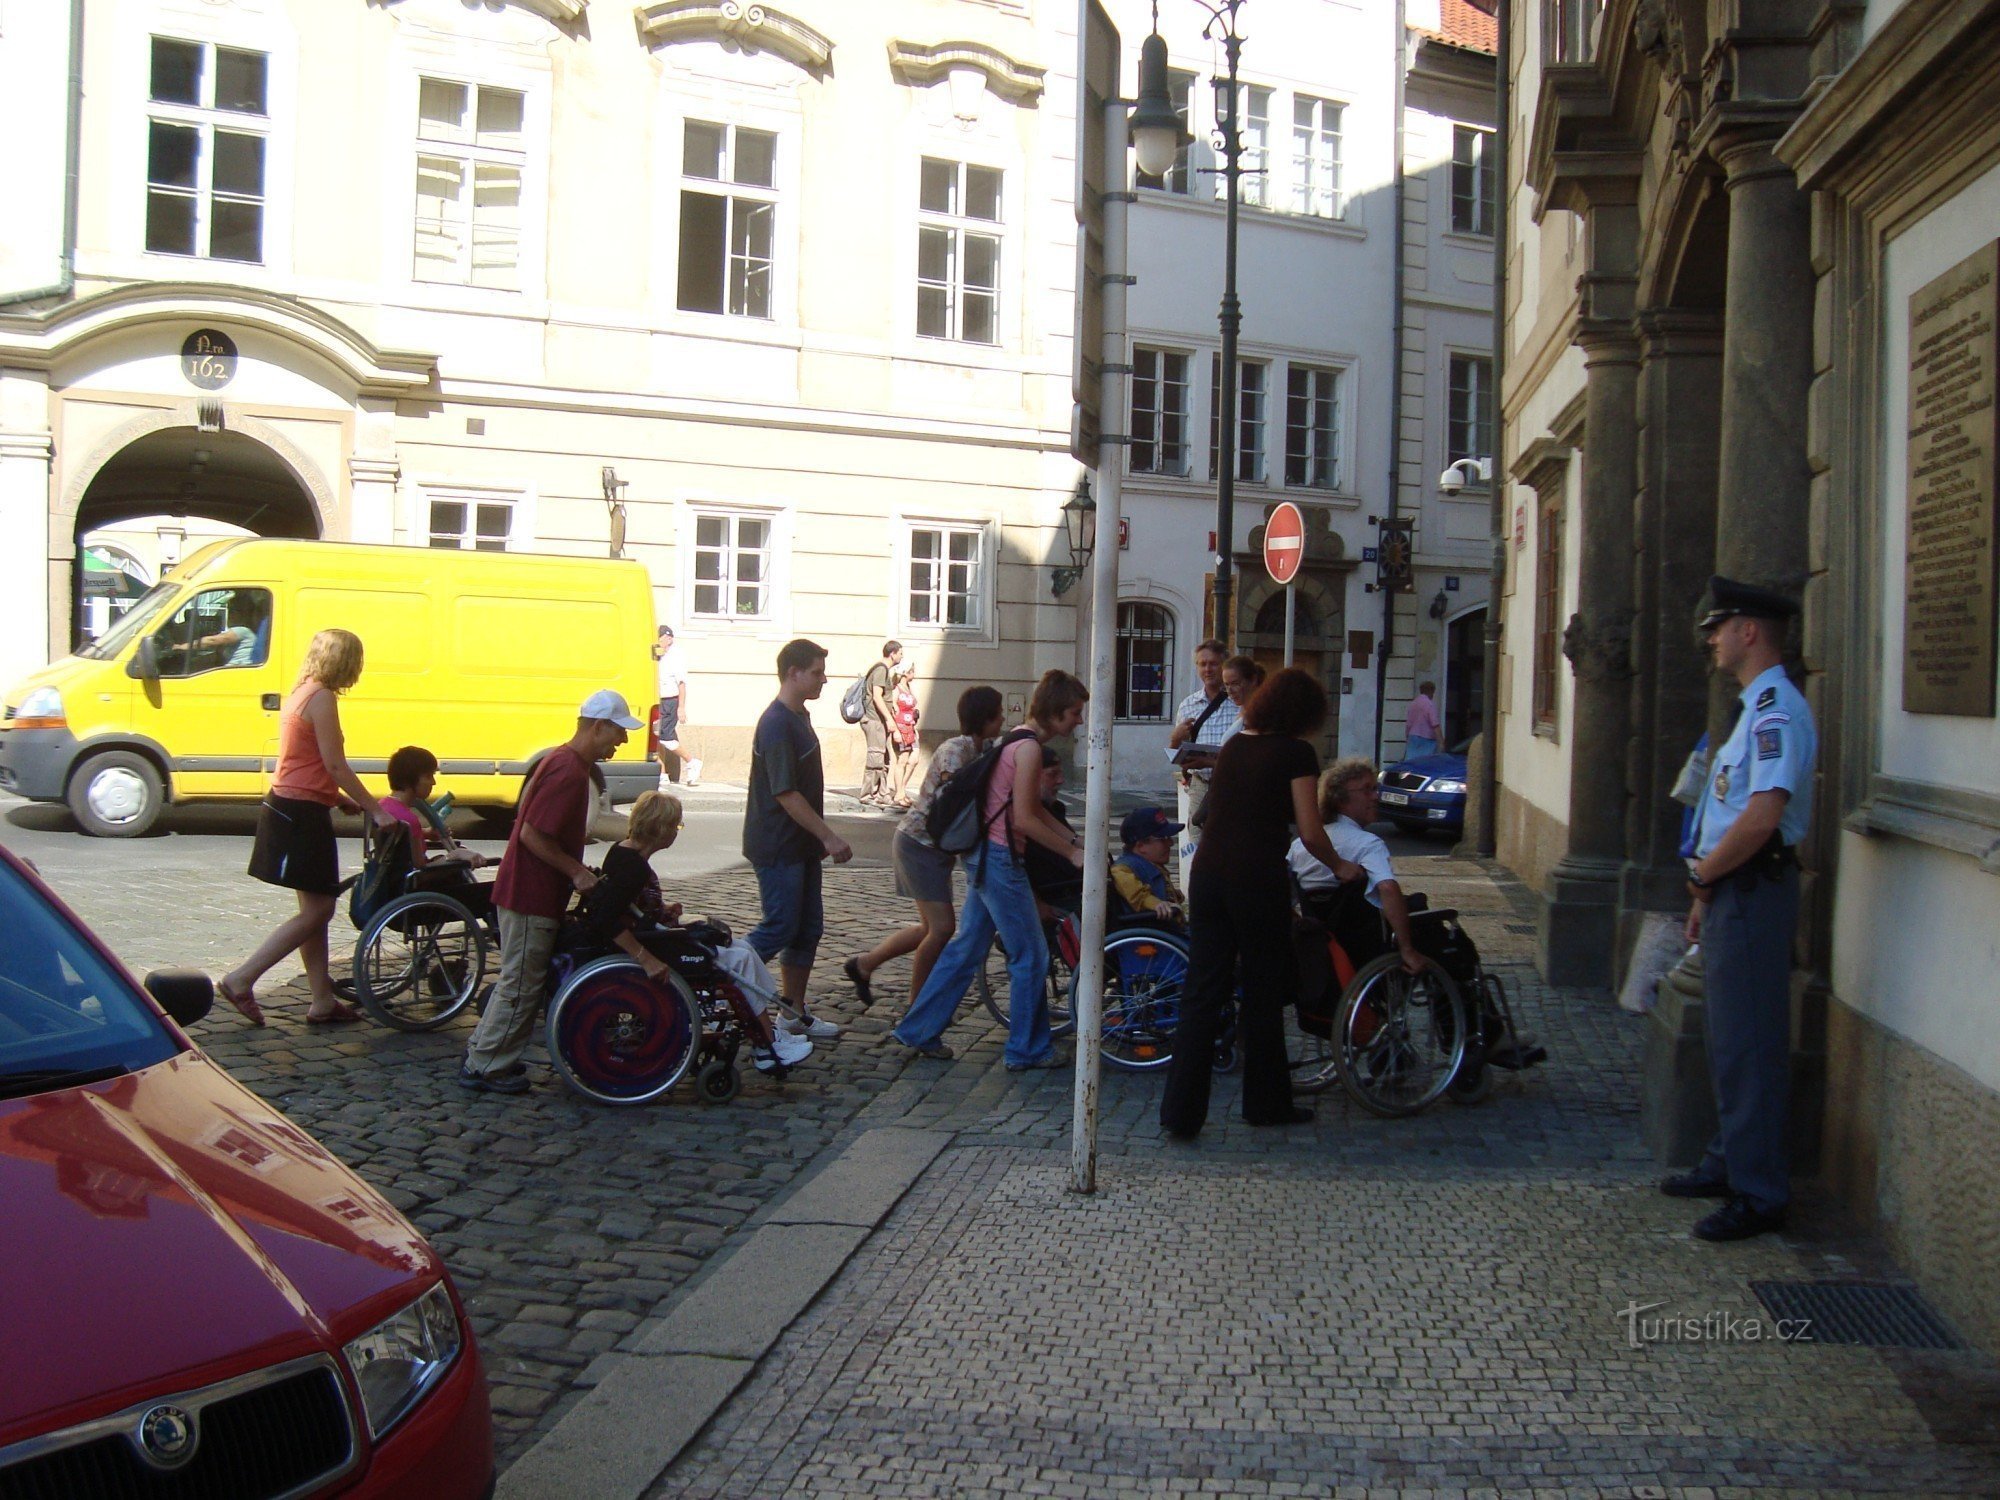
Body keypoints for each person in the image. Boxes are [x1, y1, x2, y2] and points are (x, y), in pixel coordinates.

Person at [1665, 576, 1817, 1243]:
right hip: (1733, 891)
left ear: (1749, 632)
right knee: (1731, 1041)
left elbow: (1761, 818)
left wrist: (1705, 872)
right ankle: (1729, 1162)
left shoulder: (1777, 712)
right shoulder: (1752, 710)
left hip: (1752, 888)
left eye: (1719, 626)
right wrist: (1705, 890)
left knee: (1750, 1044)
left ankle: (1759, 1194)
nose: (1711, 638)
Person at [1159, 668, 1363, 1139]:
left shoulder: (1236, 746)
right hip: (1256, 879)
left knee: (1202, 992)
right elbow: (1310, 832)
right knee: (1263, 990)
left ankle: (1180, 1113)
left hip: (1209, 877)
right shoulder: (1296, 752)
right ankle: (1266, 1103)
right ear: (1304, 713)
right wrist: (1341, 867)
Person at [891, 671, 1089, 1069]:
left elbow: (1033, 810)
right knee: (1030, 955)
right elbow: (1025, 819)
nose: (1079, 721)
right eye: (1074, 713)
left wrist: (1074, 842)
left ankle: (918, 1029)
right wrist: (1072, 854)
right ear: (1055, 711)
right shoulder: (1029, 749)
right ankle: (1026, 1049)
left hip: (985, 855)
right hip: (1000, 859)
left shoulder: (1017, 738)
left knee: (967, 948)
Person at [458, 690, 641, 1094]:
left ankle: (484, 1055)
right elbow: (532, 835)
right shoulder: (569, 771)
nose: (622, 742)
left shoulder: (563, 762)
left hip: (531, 891)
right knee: (521, 983)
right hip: (530, 893)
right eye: (618, 733)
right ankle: (486, 1065)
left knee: (520, 980)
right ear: (597, 727)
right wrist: (576, 872)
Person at [222, 628, 400, 1026]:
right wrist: (376, 810)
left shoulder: (302, 691)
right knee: (319, 909)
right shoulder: (322, 698)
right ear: (347, 662)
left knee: (314, 910)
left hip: (293, 807)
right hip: (300, 816)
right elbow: (334, 764)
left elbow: (305, 763)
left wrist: (337, 799)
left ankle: (321, 999)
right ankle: (242, 978)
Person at [581, 791, 810, 1074]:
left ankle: (771, 1031)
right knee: (739, 961)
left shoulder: (623, 851)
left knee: (744, 950)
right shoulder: (633, 868)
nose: (677, 832)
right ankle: (766, 1046)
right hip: (652, 947)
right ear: (661, 829)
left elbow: (631, 906)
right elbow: (607, 918)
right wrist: (645, 958)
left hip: (655, 933)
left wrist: (662, 909)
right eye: (676, 826)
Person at [842, 686, 1005, 1011]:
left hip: (934, 848)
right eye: (998, 713)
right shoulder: (954, 751)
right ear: (985, 720)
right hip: (919, 845)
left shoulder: (983, 747)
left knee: (930, 927)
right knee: (942, 928)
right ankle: (918, 1010)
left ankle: (863, 965)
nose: (1003, 718)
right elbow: (954, 794)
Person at [745, 639, 853, 1040]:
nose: (824, 679)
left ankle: (791, 1012)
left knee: (807, 929)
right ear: (793, 673)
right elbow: (785, 793)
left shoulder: (799, 716)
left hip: (801, 846)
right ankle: (726, 971)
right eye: (817, 672)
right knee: (780, 926)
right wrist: (829, 836)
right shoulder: (775, 723)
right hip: (777, 845)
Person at [1288, 759, 1423, 974]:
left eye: (1375, 789)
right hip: (1365, 946)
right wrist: (1406, 949)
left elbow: (1286, 898)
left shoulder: (1298, 848)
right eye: (1367, 790)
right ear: (1340, 798)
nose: (1375, 796)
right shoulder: (1368, 844)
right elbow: (1387, 888)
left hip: (1319, 943)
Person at [1166, 639, 1238, 883]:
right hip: (1200, 786)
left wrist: (1211, 760)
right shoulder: (1188, 704)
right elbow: (1175, 756)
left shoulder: (1236, 703)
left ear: (1224, 666)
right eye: (1202, 664)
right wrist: (1175, 738)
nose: (1208, 670)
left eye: (1213, 664)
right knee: (1198, 843)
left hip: (1230, 787)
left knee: (1230, 845)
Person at [1111, 807, 1186, 925]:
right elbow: (1136, 895)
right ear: (1141, 846)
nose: (1171, 843)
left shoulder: (1154, 865)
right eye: (1164, 839)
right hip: (1156, 931)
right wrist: (1155, 904)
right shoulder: (1123, 869)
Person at [654, 625, 702, 789]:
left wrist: (681, 707)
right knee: (656, 737)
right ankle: (662, 774)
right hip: (658, 700)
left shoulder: (676, 656)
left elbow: (682, 684)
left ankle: (692, 761)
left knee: (666, 738)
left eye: (660, 638)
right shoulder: (659, 655)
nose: (658, 641)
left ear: (669, 638)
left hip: (670, 701)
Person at [860, 640, 903, 806]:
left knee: (884, 757)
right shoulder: (880, 670)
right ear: (892, 653)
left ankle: (882, 793)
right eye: (900, 653)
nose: (901, 656)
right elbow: (877, 697)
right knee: (875, 757)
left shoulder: (886, 671)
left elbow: (884, 697)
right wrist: (889, 719)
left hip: (880, 720)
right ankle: (867, 795)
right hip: (874, 720)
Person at [888, 663, 921, 807]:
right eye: (912, 671)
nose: (914, 673)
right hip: (901, 727)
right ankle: (899, 794)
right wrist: (895, 730)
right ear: (905, 673)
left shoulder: (908, 688)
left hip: (911, 727)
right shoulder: (897, 689)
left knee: (913, 760)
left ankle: (901, 790)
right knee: (902, 760)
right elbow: (893, 707)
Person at [1406, 681, 1442, 760]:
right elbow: (1435, 725)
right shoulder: (1430, 704)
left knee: (1411, 763)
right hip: (1427, 740)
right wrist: (1441, 743)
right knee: (1425, 763)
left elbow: (1408, 725)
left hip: (1413, 737)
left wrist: (1407, 738)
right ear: (1431, 691)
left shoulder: (1413, 704)